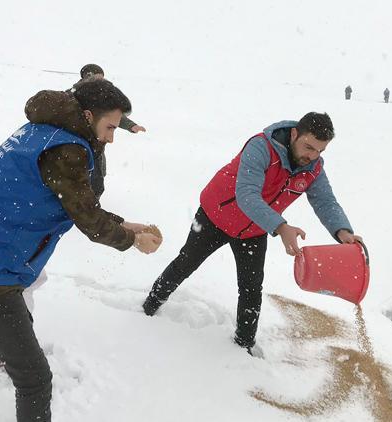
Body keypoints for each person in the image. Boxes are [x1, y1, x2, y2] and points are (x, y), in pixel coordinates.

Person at [0, 79, 162, 422]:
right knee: (34, 379)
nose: (112, 137)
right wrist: (130, 239)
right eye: (110, 127)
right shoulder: (68, 150)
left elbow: (77, 203)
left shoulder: (42, 130)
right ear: (86, 114)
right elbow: (88, 218)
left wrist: (125, 225)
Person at [142, 112, 362, 355]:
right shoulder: (261, 148)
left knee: (251, 287)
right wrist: (281, 227)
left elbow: (325, 201)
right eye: (308, 146)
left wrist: (343, 231)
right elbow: (247, 195)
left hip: (254, 229)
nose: (311, 155)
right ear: (294, 134)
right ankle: (150, 305)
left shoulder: (312, 168)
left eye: (319, 151)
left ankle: (244, 344)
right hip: (216, 215)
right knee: (186, 263)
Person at [67, 63, 147, 199]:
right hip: (78, 146)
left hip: (97, 145)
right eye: (98, 78)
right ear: (87, 77)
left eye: (102, 78)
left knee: (98, 180)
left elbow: (111, 116)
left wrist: (131, 126)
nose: (101, 81)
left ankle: (93, 203)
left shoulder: (102, 94)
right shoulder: (73, 95)